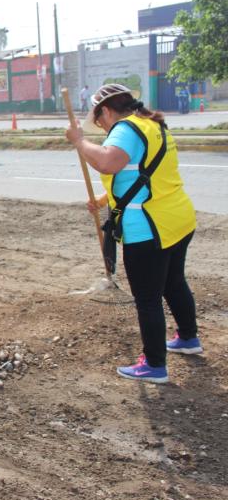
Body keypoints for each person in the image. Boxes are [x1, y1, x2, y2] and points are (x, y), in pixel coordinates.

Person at [65, 83, 200, 384]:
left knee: (147, 298)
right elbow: (139, 174)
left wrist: (79, 141)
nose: (99, 126)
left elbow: (107, 162)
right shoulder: (152, 125)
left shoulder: (125, 129)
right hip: (177, 219)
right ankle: (189, 338)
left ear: (107, 111)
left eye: (98, 119)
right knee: (174, 282)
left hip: (149, 229)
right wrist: (102, 201)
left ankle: (154, 365)